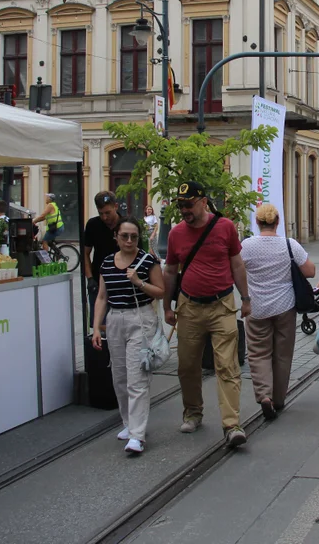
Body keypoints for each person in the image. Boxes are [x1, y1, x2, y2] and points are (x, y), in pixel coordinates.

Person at [162, 182, 251, 448]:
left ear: (203, 202)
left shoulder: (225, 227)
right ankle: (193, 412)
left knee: (227, 365)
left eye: (188, 204)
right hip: (188, 307)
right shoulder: (176, 233)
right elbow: (169, 271)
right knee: (187, 366)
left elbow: (237, 264)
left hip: (222, 306)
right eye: (180, 205)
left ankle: (232, 424)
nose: (184, 210)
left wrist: (246, 299)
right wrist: (167, 306)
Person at [90, 219, 164, 454]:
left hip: (140, 319)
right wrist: (95, 327)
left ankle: (137, 435)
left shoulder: (147, 260)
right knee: (119, 377)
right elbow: (102, 297)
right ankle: (128, 423)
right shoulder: (106, 263)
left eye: (134, 236)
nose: (129, 241)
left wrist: (139, 282)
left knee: (137, 378)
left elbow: (160, 292)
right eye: (125, 236)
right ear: (116, 237)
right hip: (114, 321)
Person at [240, 204, 315, 420]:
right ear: (278, 222)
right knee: (282, 355)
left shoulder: (247, 246)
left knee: (257, 353)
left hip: (257, 307)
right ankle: (279, 399)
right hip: (285, 307)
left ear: (257, 222)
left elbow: (234, 269)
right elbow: (310, 271)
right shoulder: (289, 245)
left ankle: (264, 396)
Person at [83, 191, 121, 309]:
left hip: (121, 282)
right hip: (98, 281)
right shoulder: (93, 225)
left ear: (116, 206)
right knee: (99, 324)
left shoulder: (125, 224)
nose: (104, 217)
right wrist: (90, 278)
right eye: (101, 213)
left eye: (108, 213)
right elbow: (85, 253)